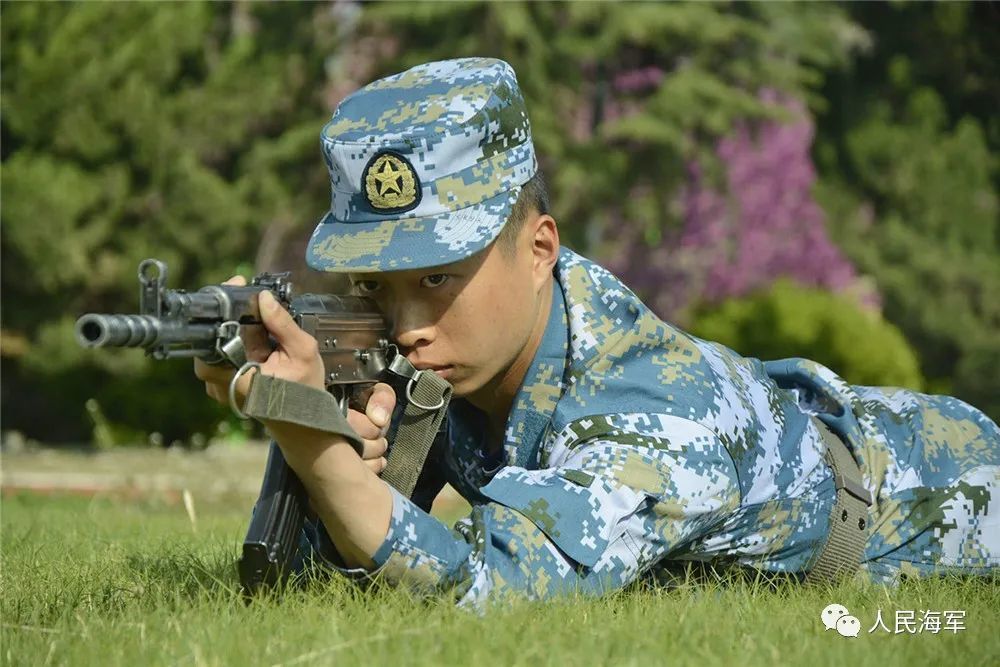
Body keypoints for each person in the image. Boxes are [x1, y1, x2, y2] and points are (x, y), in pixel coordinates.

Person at [196, 57, 1000, 608]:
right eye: (376, 286)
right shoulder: (445, 359)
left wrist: (324, 461)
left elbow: (493, 592)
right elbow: (310, 590)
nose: (408, 325)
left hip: (946, 498)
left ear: (539, 247)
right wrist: (306, 405)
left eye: (439, 277)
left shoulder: (652, 408)